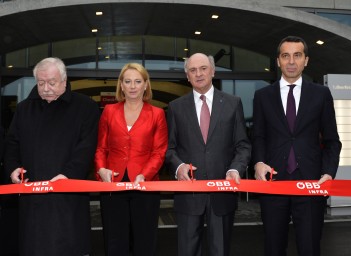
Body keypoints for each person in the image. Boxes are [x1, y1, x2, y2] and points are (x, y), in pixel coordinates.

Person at [252, 36, 342, 256]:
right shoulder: (262, 96)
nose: (291, 61)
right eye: (286, 56)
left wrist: (329, 173)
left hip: (311, 184)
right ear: (278, 61)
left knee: (310, 247)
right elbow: (259, 137)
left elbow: (332, 141)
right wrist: (259, 163)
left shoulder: (321, 94)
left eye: (297, 55)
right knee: (273, 247)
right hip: (273, 184)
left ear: (306, 60)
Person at [4, 57, 99, 256]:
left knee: (68, 246)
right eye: (41, 83)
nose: (46, 88)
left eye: (52, 82)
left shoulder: (85, 107)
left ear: (64, 81)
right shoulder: (24, 109)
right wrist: (13, 168)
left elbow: (86, 147)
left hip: (68, 194)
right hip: (32, 199)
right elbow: (12, 143)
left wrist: (68, 174)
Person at [166, 53, 251, 256]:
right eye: (193, 70)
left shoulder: (233, 103)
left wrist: (234, 169)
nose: (199, 74)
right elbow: (169, 148)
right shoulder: (176, 107)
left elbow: (243, 145)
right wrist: (178, 167)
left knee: (220, 250)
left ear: (212, 71)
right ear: (187, 76)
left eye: (203, 68)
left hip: (222, 194)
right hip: (189, 195)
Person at [94, 63, 168, 256]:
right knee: (115, 241)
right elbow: (101, 148)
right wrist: (101, 170)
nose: (133, 86)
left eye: (137, 81)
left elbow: (159, 152)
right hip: (112, 185)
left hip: (145, 185)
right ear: (121, 85)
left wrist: (145, 174)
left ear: (145, 85)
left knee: (144, 241)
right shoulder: (109, 111)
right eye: (128, 81)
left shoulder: (157, 114)